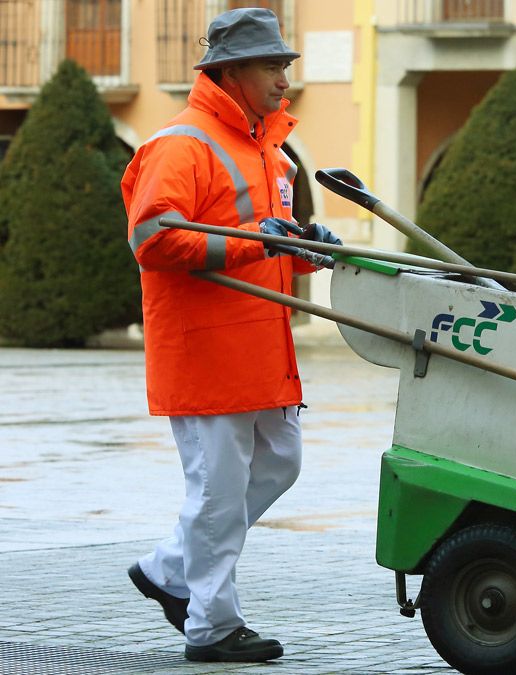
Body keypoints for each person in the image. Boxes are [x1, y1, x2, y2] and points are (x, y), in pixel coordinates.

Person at [120, 8, 342, 663]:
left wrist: (310, 249)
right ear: (232, 71)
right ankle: (212, 623)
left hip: (261, 351)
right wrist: (254, 246)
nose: (284, 78)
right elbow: (151, 238)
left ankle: (169, 569)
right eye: (273, 65)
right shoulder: (181, 144)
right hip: (206, 349)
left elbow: (268, 246)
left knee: (280, 463)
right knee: (218, 493)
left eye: (285, 65)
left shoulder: (271, 152)